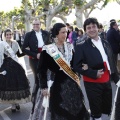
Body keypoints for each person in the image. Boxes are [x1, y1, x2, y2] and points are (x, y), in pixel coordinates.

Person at [31, 23, 90, 120]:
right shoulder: (48, 50)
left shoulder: (69, 46)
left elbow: (74, 63)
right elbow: (41, 70)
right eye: (62, 32)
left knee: (77, 109)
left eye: (66, 32)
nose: (65, 34)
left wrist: (82, 65)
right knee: (60, 110)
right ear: (56, 34)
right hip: (55, 84)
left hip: (71, 84)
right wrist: (44, 87)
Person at [73, 17, 119, 120]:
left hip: (107, 80)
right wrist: (93, 73)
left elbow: (111, 62)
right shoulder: (81, 46)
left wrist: (116, 79)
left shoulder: (105, 43)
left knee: (106, 107)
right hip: (92, 83)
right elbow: (76, 65)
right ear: (85, 30)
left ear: (98, 28)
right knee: (96, 110)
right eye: (88, 28)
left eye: (94, 26)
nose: (92, 29)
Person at [22, 18, 51, 114]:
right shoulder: (28, 35)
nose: (35, 26)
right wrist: (36, 54)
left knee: (48, 79)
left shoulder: (46, 33)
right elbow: (24, 49)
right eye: (34, 24)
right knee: (38, 80)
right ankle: (35, 104)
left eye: (37, 24)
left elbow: (51, 45)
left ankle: (47, 103)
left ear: (40, 24)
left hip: (46, 59)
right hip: (34, 60)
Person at [0, 29, 31, 112]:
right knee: (10, 85)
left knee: (17, 84)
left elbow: (19, 54)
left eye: (10, 34)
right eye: (7, 35)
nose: (9, 36)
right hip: (6, 66)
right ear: (4, 35)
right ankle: (13, 104)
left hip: (16, 66)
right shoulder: (2, 44)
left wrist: (27, 51)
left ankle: (16, 102)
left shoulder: (15, 43)